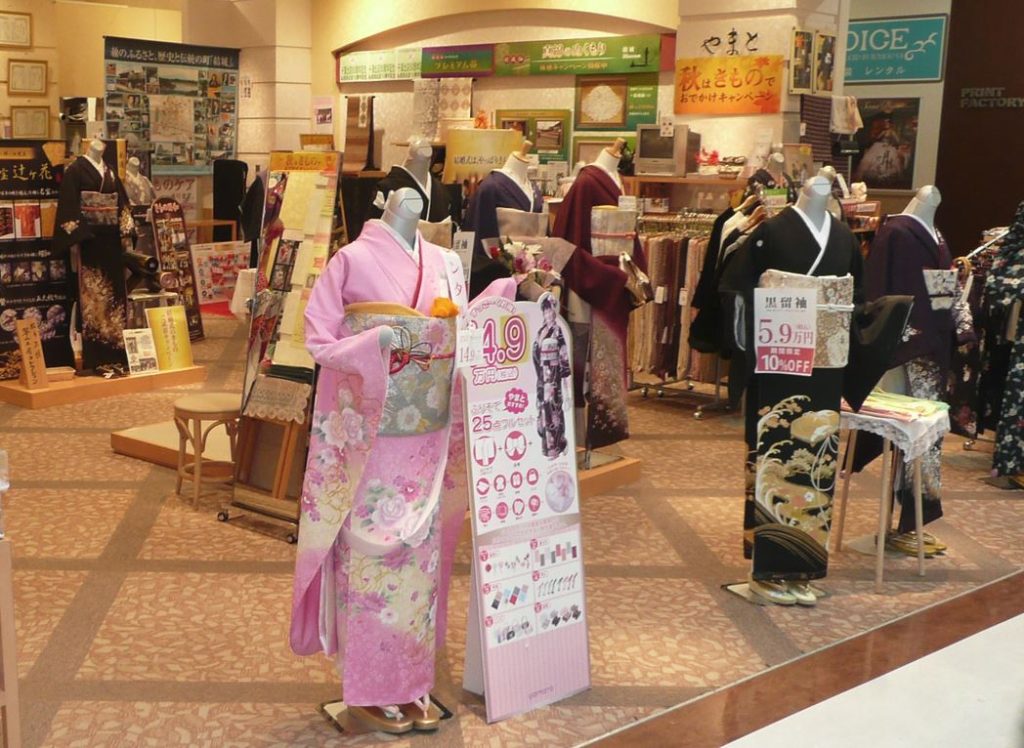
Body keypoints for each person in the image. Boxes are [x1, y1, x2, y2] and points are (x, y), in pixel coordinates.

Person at [533, 293, 570, 458]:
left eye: (550, 310)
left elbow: (564, 359)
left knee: (554, 412)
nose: (548, 314)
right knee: (544, 412)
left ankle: (558, 446)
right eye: (546, 311)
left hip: (554, 379)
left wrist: (568, 392)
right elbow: (535, 356)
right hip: (542, 379)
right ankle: (548, 449)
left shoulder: (558, 331)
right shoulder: (541, 331)